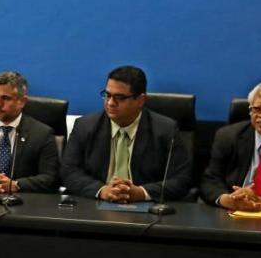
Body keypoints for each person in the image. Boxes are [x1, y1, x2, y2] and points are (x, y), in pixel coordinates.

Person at [61, 65, 191, 202]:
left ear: (140, 100)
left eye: (120, 97)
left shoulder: (165, 130)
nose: (110, 103)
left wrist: (141, 193)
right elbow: (69, 172)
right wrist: (102, 191)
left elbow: (182, 179)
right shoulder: (84, 126)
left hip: (146, 207)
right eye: (107, 95)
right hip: (95, 204)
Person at [200, 80, 261, 211]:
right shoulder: (228, 136)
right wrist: (226, 199)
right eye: (257, 109)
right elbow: (210, 180)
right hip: (233, 211)